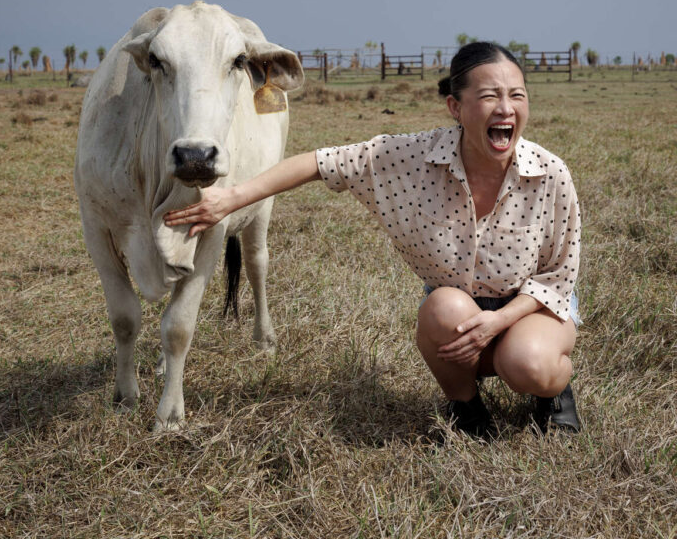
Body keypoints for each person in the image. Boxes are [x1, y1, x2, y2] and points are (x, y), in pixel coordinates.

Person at [164, 41, 581, 438]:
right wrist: (232, 198)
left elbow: (558, 278)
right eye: (490, 96)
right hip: (461, 309)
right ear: (455, 107)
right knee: (441, 308)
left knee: (527, 363)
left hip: (532, 309)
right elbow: (319, 163)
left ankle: (552, 392)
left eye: (517, 95)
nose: (506, 108)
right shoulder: (411, 158)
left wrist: (501, 320)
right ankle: (466, 405)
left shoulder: (550, 174)